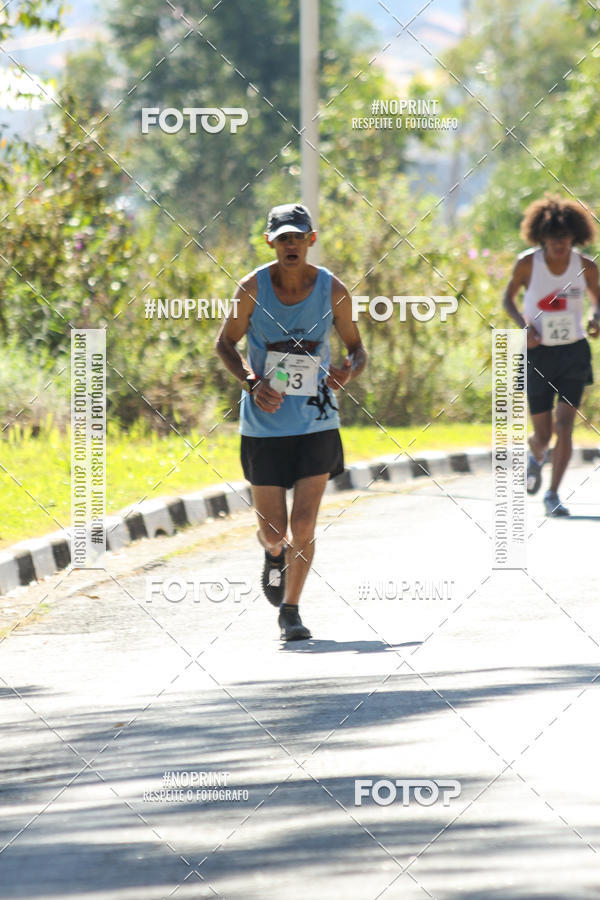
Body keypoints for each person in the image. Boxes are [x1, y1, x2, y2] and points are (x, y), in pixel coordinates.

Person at [216, 203, 367, 639]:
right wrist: (250, 381)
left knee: (303, 524)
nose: (291, 245)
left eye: (298, 236)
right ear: (271, 243)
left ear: (311, 240)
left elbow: (358, 349)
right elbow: (224, 344)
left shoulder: (333, 291)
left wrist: (349, 370)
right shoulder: (251, 289)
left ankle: (291, 611)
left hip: (317, 422)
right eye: (283, 238)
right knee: (274, 532)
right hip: (265, 426)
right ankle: (273, 555)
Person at [503, 194, 600, 516]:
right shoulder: (528, 263)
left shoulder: (586, 266)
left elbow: (598, 301)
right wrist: (524, 327)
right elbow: (508, 301)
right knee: (543, 435)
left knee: (565, 426)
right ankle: (536, 457)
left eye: (565, 238)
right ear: (541, 236)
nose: (559, 244)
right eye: (553, 238)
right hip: (538, 354)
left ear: (575, 235)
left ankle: (553, 494)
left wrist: (597, 318)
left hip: (573, 352)